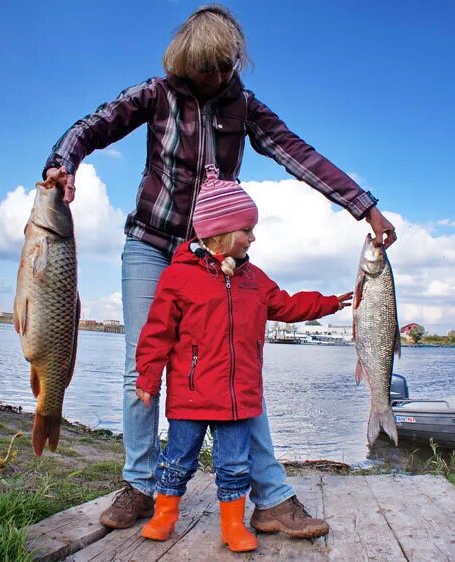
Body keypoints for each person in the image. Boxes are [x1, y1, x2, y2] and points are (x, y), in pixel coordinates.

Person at [39, 4, 397, 537]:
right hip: (150, 246)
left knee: (235, 367)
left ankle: (271, 499)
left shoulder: (244, 107)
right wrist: (62, 163)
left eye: (229, 66)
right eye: (210, 68)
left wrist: (361, 204)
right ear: (186, 62)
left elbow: (300, 154)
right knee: (141, 363)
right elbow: (94, 126)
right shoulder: (155, 94)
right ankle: (140, 484)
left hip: (214, 257)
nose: (220, 77)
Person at [133, 167, 353, 551]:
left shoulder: (255, 279)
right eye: (246, 230)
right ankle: (164, 515)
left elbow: (288, 304)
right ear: (218, 233)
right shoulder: (178, 277)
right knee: (177, 460)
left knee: (235, 466)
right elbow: (157, 333)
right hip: (190, 398)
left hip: (239, 400)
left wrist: (332, 302)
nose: (253, 237)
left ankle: (233, 525)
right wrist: (147, 379)